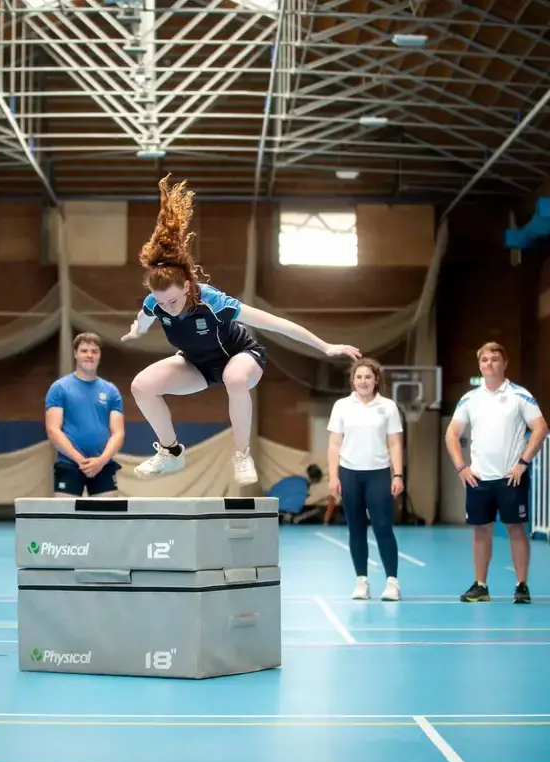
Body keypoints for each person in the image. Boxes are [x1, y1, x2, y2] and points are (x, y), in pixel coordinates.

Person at [121, 175, 362, 485]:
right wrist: (136, 330)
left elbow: (277, 325)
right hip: (199, 364)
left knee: (234, 378)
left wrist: (325, 346)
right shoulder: (156, 303)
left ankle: (241, 454)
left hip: (242, 356)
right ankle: (171, 452)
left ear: (188, 286)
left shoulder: (214, 302)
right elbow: (143, 316)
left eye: (173, 300)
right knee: (141, 385)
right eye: (160, 302)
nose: (166, 307)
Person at [444, 341, 548, 604]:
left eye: (494, 359)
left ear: (504, 363)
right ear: (479, 365)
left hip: (511, 477)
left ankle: (521, 586)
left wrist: (523, 462)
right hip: (479, 478)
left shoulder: (519, 395)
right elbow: (452, 435)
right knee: (481, 531)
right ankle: (481, 586)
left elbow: (540, 429)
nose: (489, 364)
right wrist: (461, 467)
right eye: (484, 360)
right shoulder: (470, 399)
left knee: (516, 529)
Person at [327, 358, 405, 601]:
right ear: (353, 380)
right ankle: (361, 580)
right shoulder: (341, 406)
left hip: (379, 474)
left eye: (368, 377)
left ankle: (392, 582)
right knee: (356, 529)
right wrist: (333, 476)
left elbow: (394, 443)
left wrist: (398, 474)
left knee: (383, 527)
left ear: (376, 380)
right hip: (350, 474)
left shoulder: (388, 407)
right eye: (359, 377)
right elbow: (334, 444)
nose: (363, 381)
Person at [44, 332, 126, 497]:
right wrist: (80, 460)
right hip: (69, 464)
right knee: (66, 520)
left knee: (106, 520)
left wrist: (101, 461)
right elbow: (53, 430)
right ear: (75, 354)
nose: (89, 355)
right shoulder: (59, 388)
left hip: (103, 465)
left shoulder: (111, 391)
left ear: (99, 355)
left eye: (94, 351)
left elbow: (118, 432)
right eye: (84, 351)